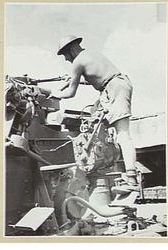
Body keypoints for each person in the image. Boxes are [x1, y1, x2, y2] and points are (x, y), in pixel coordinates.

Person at [50, 35, 138, 194]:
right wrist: (68, 81)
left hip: (113, 88)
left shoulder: (77, 62)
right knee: (93, 118)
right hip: (115, 85)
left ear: (70, 50)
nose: (65, 59)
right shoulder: (91, 55)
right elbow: (96, 78)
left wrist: (56, 94)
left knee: (123, 134)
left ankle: (131, 178)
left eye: (65, 55)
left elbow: (71, 92)